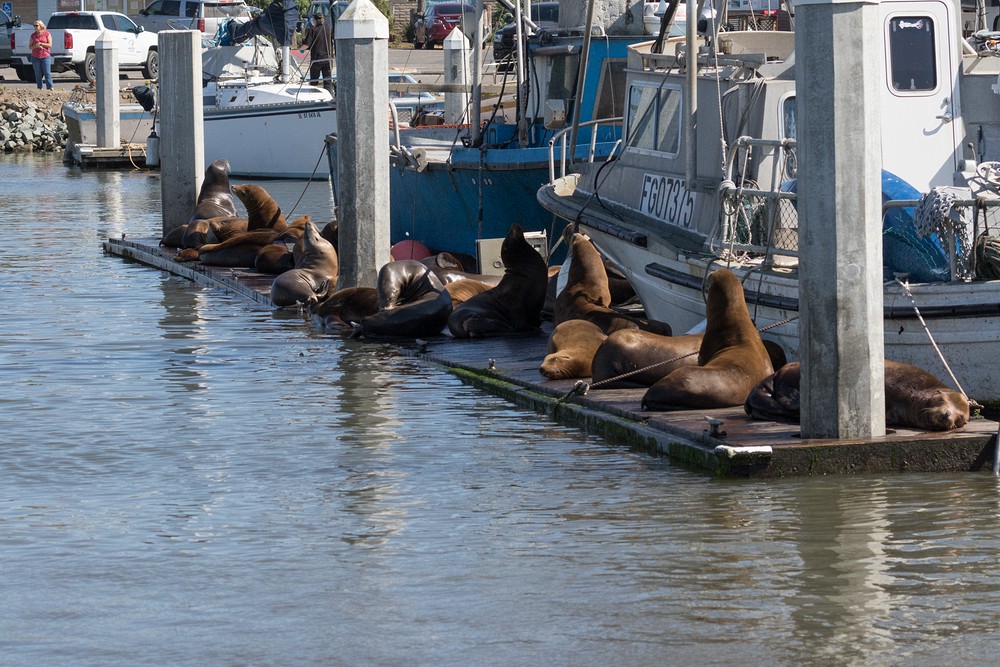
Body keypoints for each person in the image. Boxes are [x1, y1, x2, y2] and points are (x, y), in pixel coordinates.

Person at [301, 13, 333, 92]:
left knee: (314, 82)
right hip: (328, 59)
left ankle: (314, 96)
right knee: (328, 83)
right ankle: (330, 96)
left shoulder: (312, 30)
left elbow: (306, 45)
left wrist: (299, 50)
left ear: (315, 21)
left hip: (316, 60)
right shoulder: (329, 29)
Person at [29, 19, 53, 90]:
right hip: (35, 56)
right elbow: (30, 46)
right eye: (34, 26)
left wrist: (42, 44)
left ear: (41, 26)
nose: (35, 27)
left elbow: (50, 45)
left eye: (37, 25)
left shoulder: (47, 34)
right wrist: (35, 46)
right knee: (38, 73)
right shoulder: (33, 35)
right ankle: (39, 87)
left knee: (47, 72)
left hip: (45, 55)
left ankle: (50, 87)